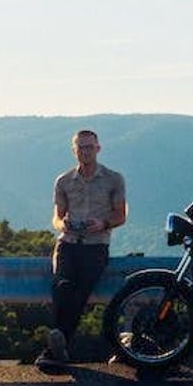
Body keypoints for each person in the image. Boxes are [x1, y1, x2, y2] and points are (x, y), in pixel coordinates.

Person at [36, 129, 127, 366]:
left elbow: (121, 215)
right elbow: (56, 218)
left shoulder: (114, 179)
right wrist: (62, 224)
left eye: (89, 147)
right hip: (67, 242)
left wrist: (103, 224)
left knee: (81, 291)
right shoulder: (64, 181)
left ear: (98, 149)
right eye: (81, 147)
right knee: (61, 285)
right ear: (74, 150)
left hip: (96, 245)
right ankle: (58, 347)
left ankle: (54, 348)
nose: (85, 152)